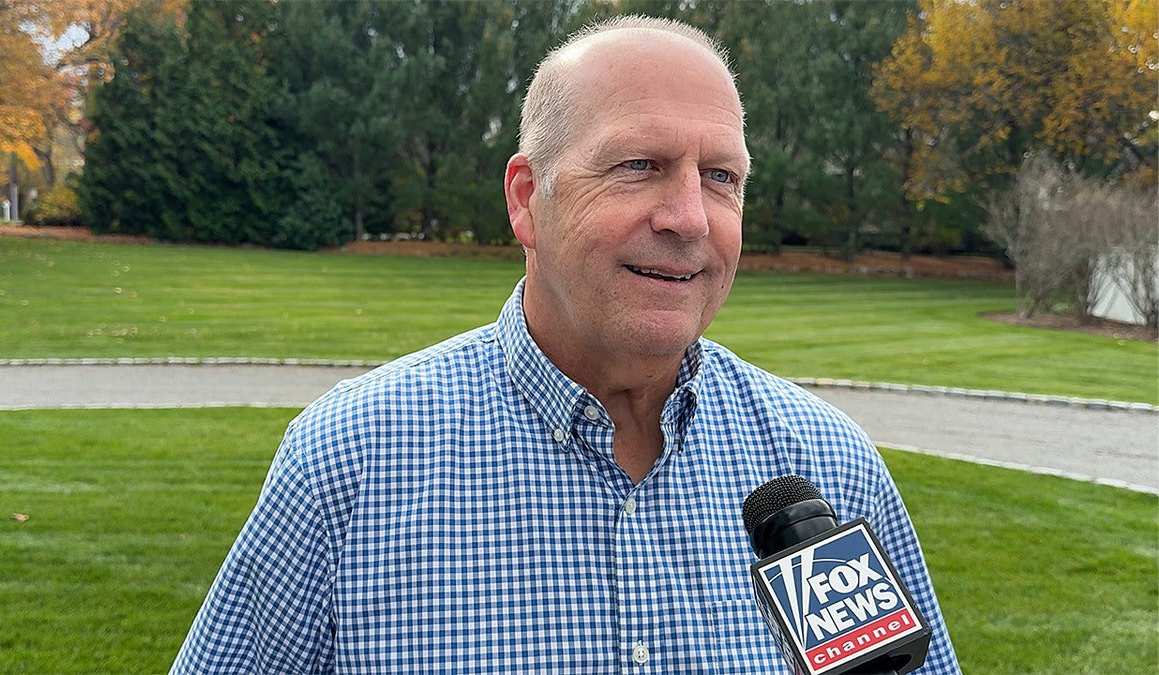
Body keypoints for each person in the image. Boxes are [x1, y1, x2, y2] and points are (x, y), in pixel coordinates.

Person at [172, 15, 961, 674]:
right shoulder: (349, 460)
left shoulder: (830, 463)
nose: (689, 216)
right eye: (639, 165)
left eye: (720, 176)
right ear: (526, 200)